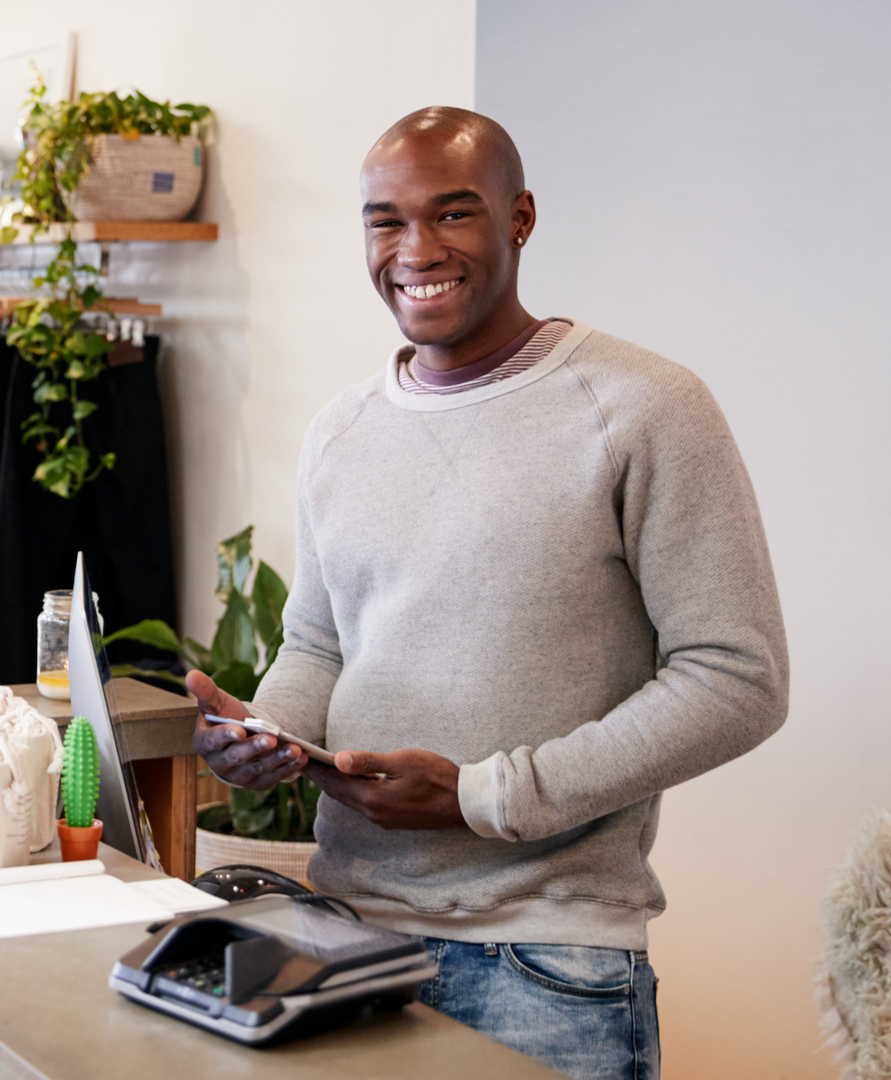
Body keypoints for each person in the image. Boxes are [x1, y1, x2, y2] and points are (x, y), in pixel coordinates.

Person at [190, 106, 788, 1080]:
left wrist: (484, 796)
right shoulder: (341, 431)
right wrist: (268, 735)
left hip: (544, 966)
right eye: (385, 221)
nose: (415, 249)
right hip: (343, 939)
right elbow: (319, 643)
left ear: (520, 219)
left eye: (453, 213)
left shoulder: (643, 407)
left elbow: (738, 678)